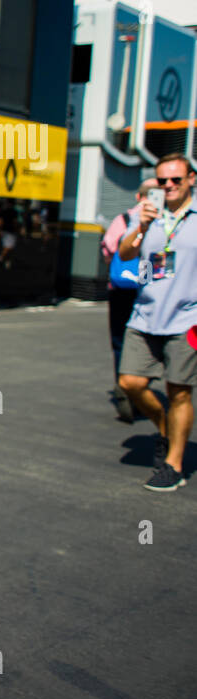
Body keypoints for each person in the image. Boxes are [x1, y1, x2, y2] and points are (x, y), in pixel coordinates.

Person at [116, 154, 197, 491]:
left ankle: (173, 464)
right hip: (146, 315)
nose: (168, 186)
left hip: (188, 318)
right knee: (130, 383)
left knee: (179, 392)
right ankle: (164, 425)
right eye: (162, 181)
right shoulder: (149, 214)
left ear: (192, 179)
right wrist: (142, 227)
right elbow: (124, 253)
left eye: (175, 180)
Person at [102, 177, 159, 422]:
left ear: (138, 196)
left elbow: (109, 249)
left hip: (121, 289)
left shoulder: (124, 219)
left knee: (119, 340)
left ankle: (126, 389)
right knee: (148, 339)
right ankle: (140, 386)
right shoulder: (166, 220)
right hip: (149, 291)